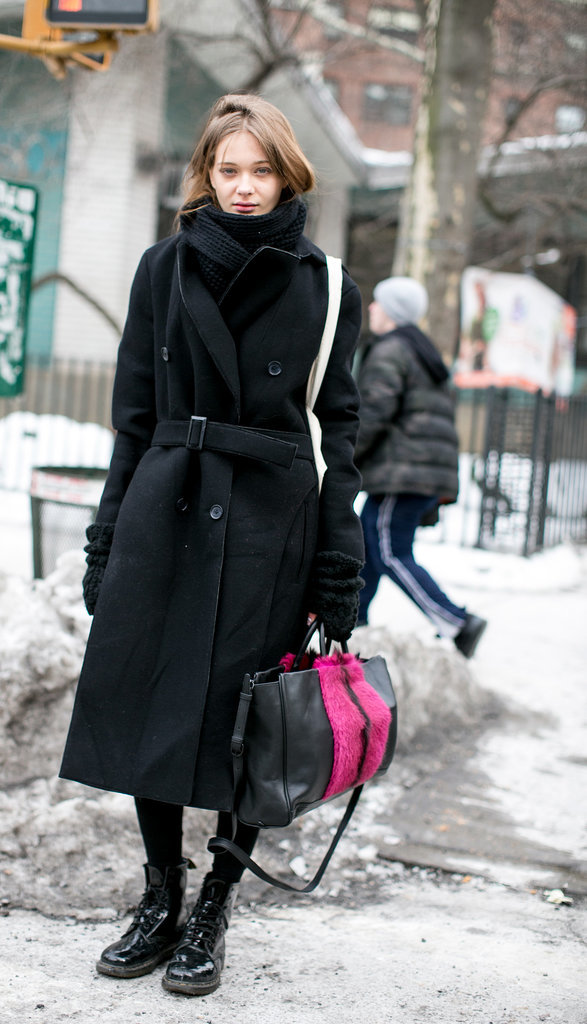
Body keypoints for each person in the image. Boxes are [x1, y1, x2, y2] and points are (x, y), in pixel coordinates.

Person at [59, 93, 365, 997]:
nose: (242, 187)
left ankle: (217, 901)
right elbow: (131, 418)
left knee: (247, 722)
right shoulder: (163, 267)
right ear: (206, 172)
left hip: (272, 520)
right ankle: (161, 891)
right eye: (226, 169)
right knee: (150, 700)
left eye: (259, 170)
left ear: (286, 173)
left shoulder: (327, 284)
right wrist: (107, 533)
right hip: (170, 505)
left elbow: (337, 438)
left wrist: (338, 571)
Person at [353, 276, 487, 658]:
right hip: (419, 468)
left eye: (378, 303)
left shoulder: (391, 349)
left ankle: (457, 621)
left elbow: (374, 411)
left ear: (393, 312)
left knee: (390, 550)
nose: (372, 309)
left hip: (405, 471)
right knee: (368, 544)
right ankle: (353, 621)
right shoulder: (422, 350)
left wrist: (344, 458)